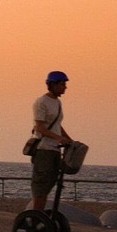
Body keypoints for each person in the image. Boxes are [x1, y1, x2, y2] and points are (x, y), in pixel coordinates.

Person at [30, 70, 74, 210]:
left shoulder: (58, 103)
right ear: (52, 85)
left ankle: (40, 215)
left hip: (54, 149)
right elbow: (40, 128)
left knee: (50, 184)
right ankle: (35, 216)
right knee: (41, 186)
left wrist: (69, 140)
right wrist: (59, 138)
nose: (65, 87)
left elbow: (57, 125)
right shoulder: (41, 102)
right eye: (62, 84)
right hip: (44, 149)